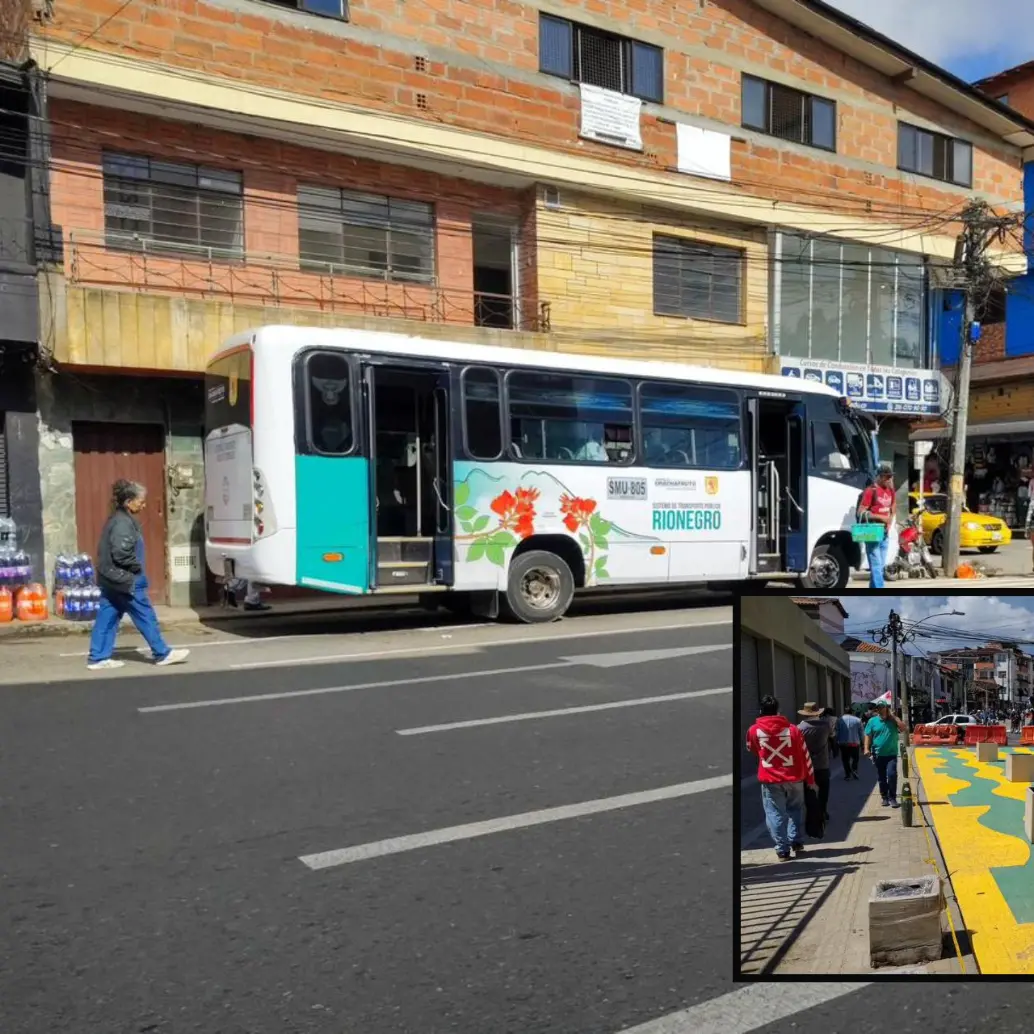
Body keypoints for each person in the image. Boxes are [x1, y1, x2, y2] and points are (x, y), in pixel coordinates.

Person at [87, 479, 189, 671]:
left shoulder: (117, 519)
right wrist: (136, 569)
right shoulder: (122, 523)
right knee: (145, 615)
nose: (143, 504)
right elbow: (121, 552)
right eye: (140, 501)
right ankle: (162, 653)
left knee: (107, 617)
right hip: (126, 580)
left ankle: (98, 657)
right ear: (128, 502)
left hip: (112, 580)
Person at [746, 695, 817, 861]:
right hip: (795, 776)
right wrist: (810, 778)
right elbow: (805, 755)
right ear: (778, 711)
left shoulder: (753, 730)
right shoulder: (793, 730)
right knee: (795, 809)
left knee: (774, 813)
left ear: (761, 711)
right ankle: (796, 841)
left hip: (770, 778)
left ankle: (782, 849)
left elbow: (753, 749)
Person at [858, 462, 896, 589]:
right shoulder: (871, 491)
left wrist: (890, 519)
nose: (890, 479)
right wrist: (880, 517)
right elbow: (861, 512)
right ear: (880, 476)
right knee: (876, 566)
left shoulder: (890, 490)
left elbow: (893, 505)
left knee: (879, 566)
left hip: (885, 533)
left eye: (891, 476)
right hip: (873, 532)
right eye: (887, 477)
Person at [864, 700, 907, 808]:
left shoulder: (893, 720)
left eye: (883, 707)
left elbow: (903, 729)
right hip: (878, 754)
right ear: (876, 709)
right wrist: (866, 748)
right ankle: (884, 797)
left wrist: (894, 717)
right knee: (882, 777)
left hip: (891, 754)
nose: (881, 709)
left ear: (886, 708)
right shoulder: (872, 721)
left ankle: (892, 798)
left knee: (892, 775)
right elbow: (868, 735)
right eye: (879, 707)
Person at [798, 702, 833, 821]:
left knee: (809, 793)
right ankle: (823, 812)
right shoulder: (825, 726)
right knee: (823, 792)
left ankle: (812, 815)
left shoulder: (799, 728)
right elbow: (831, 735)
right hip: (823, 765)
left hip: (806, 766)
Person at [836, 708, 864, 780]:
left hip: (843, 743)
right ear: (852, 712)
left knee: (845, 759)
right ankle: (854, 769)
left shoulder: (839, 720)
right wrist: (863, 743)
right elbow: (861, 733)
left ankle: (847, 774)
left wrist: (837, 741)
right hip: (854, 743)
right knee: (855, 758)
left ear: (844, 712)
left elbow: (837, 731)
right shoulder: (858, 720)